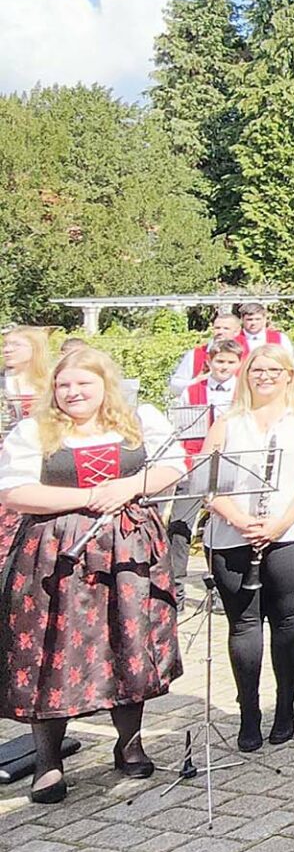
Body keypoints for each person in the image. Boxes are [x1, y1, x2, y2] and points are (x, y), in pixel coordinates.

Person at [1, 341, 184, 803]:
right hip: (54, 551)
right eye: (63, 384)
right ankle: (48, 760)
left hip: (127, 548)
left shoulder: (140, 421)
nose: (73, 392)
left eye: (83, 383)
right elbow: (16, 492)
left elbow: (173, 466)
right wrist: (87, 497)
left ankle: (129, 744)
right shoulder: (34, 431)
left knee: (127, 636)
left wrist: (127, 486)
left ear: (106, 385)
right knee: (51, 646)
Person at [200, 341, 294, 750]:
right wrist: (239, 519)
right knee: (243, 623)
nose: (266, 377)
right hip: (232, 534)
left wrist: (279, 523)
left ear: (289, 376)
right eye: (258, 370)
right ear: (246, 375)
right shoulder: (228, 420)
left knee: (288, 621)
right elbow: (208, 484)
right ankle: (249, 712)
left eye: (275, 371)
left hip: (290, 532)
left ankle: (286, 707)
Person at [165, 331, 244, 586]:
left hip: (231, 464)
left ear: (238, 364)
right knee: (180, 523)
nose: (225, 367)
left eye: (231, 362)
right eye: (220, 362)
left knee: (225, 523)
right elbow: (183, 430)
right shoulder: (192, 390)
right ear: (209, 362)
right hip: (195, 461)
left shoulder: (244, 390)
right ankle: (175, 580)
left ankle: (223, 582)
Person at [167, 311, 247, 403]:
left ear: (237, 331)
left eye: (226, 328)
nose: (220, 332)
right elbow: (174, 386)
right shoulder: (196, 354)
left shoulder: (247, 354)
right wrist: (196, 381)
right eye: (217, 328)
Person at [2, 324, 55, 430]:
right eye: (5, 344)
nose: (7, 350)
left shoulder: (54, 380)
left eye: (16, 345)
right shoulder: (3, 381)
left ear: (36, 348)